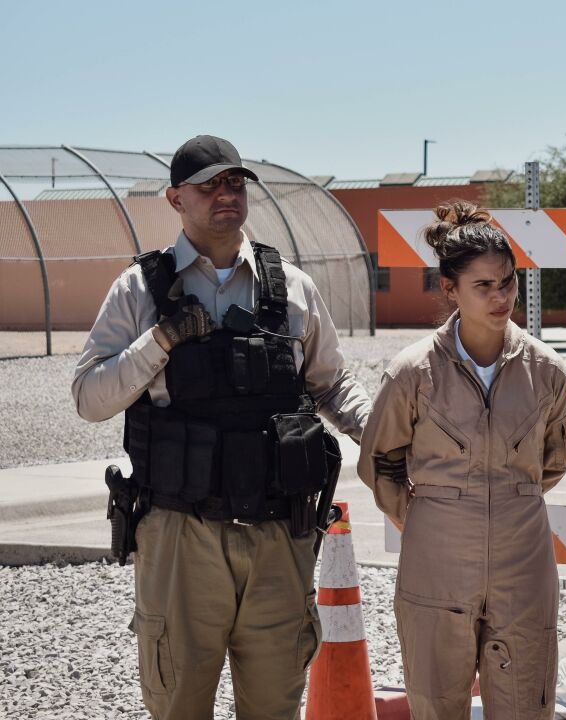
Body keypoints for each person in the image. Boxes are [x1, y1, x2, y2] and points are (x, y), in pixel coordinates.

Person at [72, 134, 371, 718]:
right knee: (179, 702)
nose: (225, 193)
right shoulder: (139, 289)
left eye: (235, 182)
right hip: (181, 536)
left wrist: (386, 436)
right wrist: (160, 341)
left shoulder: (292, 288)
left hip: (279, 536)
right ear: (175, 199)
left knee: (273, 706)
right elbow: (89, 397)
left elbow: (332, 386)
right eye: (208, 185)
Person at [357, 200, 566, 720]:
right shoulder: (412, 372)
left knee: (526, 704)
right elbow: (379, 459)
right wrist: (432, 512)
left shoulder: (546, 371)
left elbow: (556, 459)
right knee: (436, 703)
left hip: (523, 560)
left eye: (508, 282)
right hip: (436, 561)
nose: (501, 297)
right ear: (450, 289)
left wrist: (507, 499)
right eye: (484, 286)